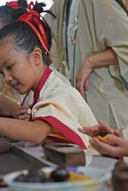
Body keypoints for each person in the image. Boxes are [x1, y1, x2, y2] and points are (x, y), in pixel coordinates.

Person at [0, 2, 98, 150]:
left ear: (36, 57)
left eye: (10, 67)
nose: (6, 78)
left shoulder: (59, 90)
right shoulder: (41, 90)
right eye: (1, 71)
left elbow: (37, 133)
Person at [45, 0, 128, 138]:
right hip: (86, 98)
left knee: (111, 151)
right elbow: (44, 29)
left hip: (107, 99)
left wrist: (90, 62)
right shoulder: (63, 4)